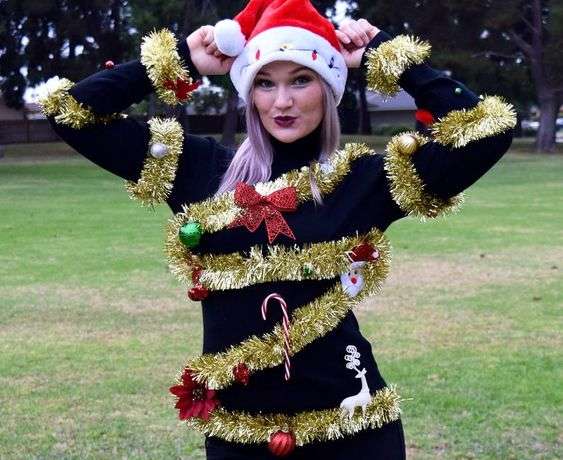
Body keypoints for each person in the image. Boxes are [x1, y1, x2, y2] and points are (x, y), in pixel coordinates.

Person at [40, 0, 516, 458]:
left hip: (352, 432)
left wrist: (387, 56)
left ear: (328, 88)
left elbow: (488, 131)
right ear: (249, 93)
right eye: (265, 83)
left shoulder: (362, 179)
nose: (282, 101)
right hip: (239, 437)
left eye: (301, 80)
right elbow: (72, 113)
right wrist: (182, 58)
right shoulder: (196, 168)